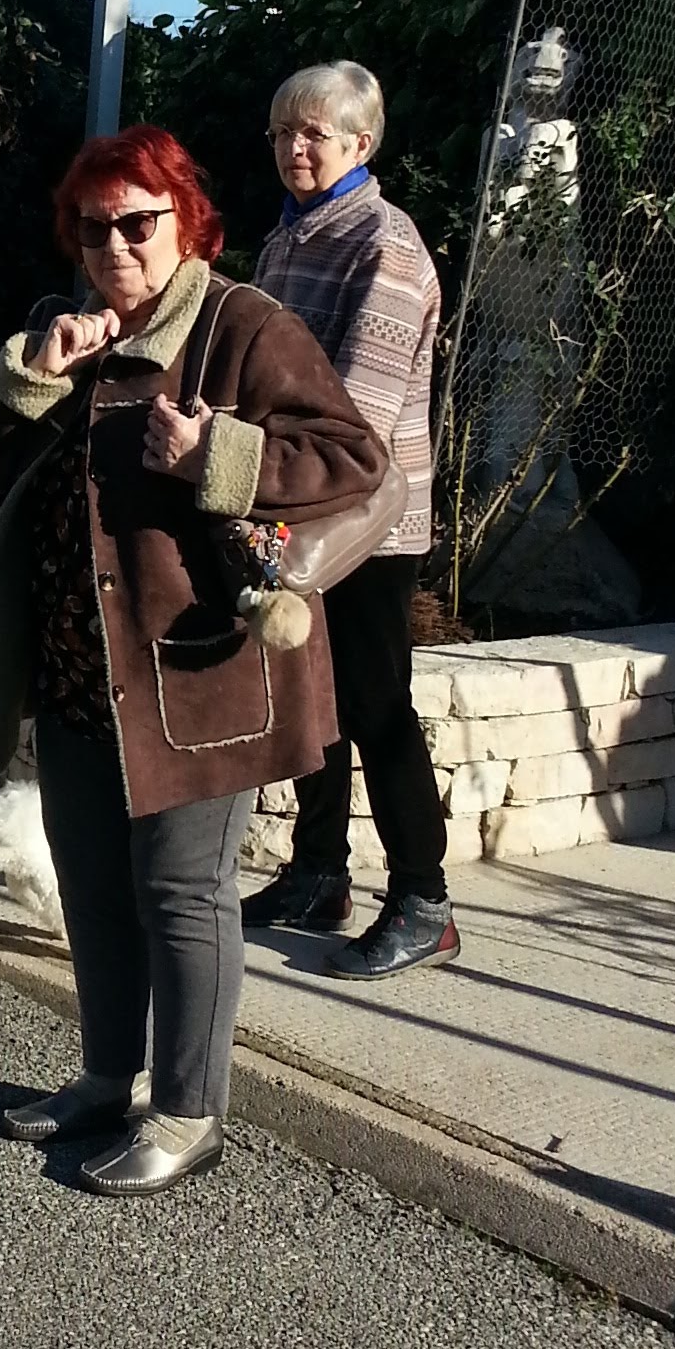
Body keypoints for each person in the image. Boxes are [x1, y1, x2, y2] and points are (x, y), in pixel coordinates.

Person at [0, 125, 390, 1197]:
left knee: (184, 892)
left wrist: (216, 455)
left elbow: (354, 459)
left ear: (184, 221)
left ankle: (189, 1114)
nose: (115, 248)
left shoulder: (243, 327)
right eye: (92, 229)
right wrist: (29, 374)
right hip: (77, 673)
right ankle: (108, 1079)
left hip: (198, 674)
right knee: (95, 888)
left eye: (137, 224)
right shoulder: (69, 330)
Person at [244, 59, 456, 977]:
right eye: (283, 131)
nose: (294, 147)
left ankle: (425, 902)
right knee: (309, 698)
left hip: (369, 522)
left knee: (376, 705)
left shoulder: (386, 245)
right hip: (294, 505)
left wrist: (249, 456)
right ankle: (318, 874)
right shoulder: (288, 238)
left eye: (313, 133)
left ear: (361, 144)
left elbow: (357, 409)